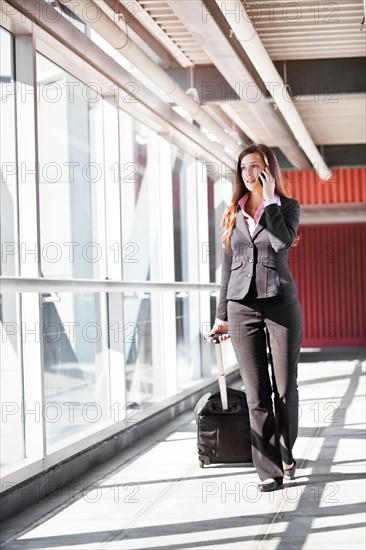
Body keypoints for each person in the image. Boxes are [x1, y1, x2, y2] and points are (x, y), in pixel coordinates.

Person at [209, 143, 303, 492]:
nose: (249, 173)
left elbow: (282, 242)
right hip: (240, 307)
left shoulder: (287, 207)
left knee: (284, 388)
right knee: (256, 393)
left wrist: (268, 201)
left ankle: (286, 449)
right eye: (244, 167)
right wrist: (221, 316)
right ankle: (268, 471)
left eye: (256, 167)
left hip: (281, 305)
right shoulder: (232, 211)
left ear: (269, 170)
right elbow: (227, 267)